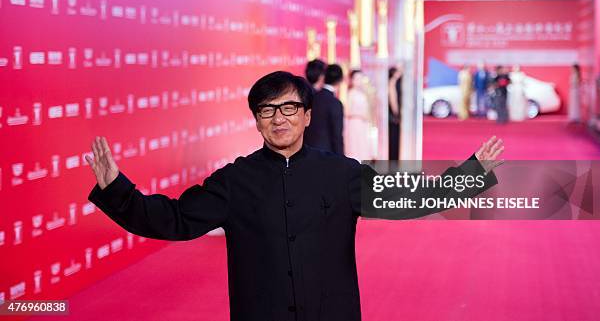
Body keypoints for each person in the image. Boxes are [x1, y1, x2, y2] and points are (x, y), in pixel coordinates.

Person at [86, 71, 504, 321]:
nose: (278, 118)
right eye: (267, 110)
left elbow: (405, 199)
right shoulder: (235, 180)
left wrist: (466, 177)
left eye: (288, 108)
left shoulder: (341, 173)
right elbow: (175, 220)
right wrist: (116, 189)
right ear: (257, 122)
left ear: (306, 116)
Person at [303, 64, 344, 155]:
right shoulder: (335, 103)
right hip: (327, 154)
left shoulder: (311, 98)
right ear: (340, 80)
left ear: (323, 77)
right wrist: (341, 159)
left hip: (307, 151)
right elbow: (336, 136)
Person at [345, 70, 374, 161]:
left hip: (363, 124)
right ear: (352, 80)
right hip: (354, 123)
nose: (359, 80)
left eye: (361, 78)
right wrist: (360, 114)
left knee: (363, 145)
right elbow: (347, 111)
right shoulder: (350, 93)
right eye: (357, 78)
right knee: (355, 146)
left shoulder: (363, 94)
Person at [388, 66, 402, 160]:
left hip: (393, 117)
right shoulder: (392, 82)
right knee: (394, 139)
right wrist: (397, 114)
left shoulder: (393, 82)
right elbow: (393, 100)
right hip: (393, 118)